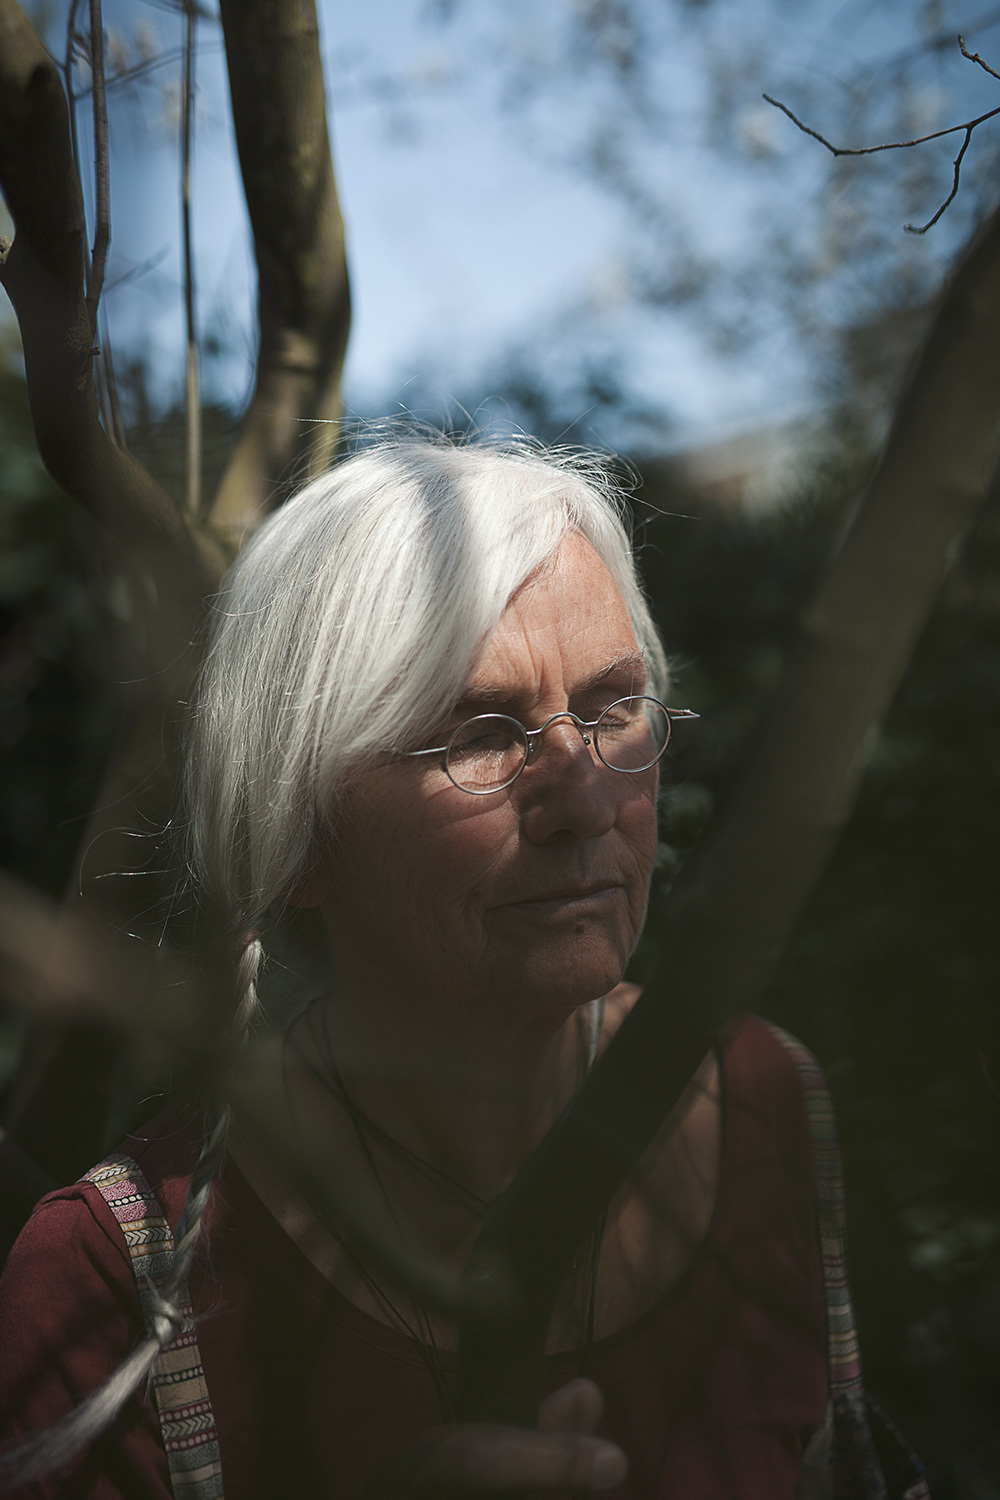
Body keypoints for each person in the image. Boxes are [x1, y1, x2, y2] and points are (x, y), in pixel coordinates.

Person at [0, 436, 898, 1499]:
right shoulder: (112, 1280)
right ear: (302, 837)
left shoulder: (761, 1099)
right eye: (479, 733)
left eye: (612, 708)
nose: (587, 801)